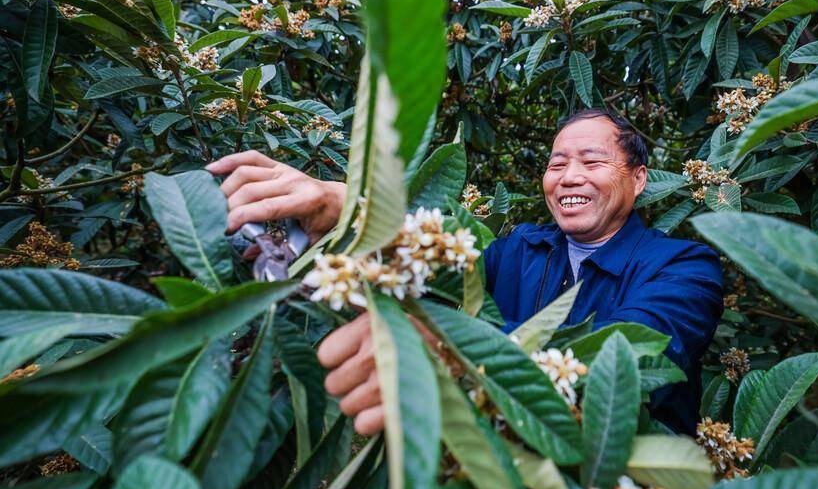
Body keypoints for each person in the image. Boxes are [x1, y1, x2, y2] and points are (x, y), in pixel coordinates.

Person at [207, 109, 724, 436]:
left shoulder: (685, 267)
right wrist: (354, 215)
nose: (569, 176)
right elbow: (445, 266)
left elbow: (625, 371)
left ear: (638, 180)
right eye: (556, 162)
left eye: (591, 161)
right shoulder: (521, 247)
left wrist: (450, 349)